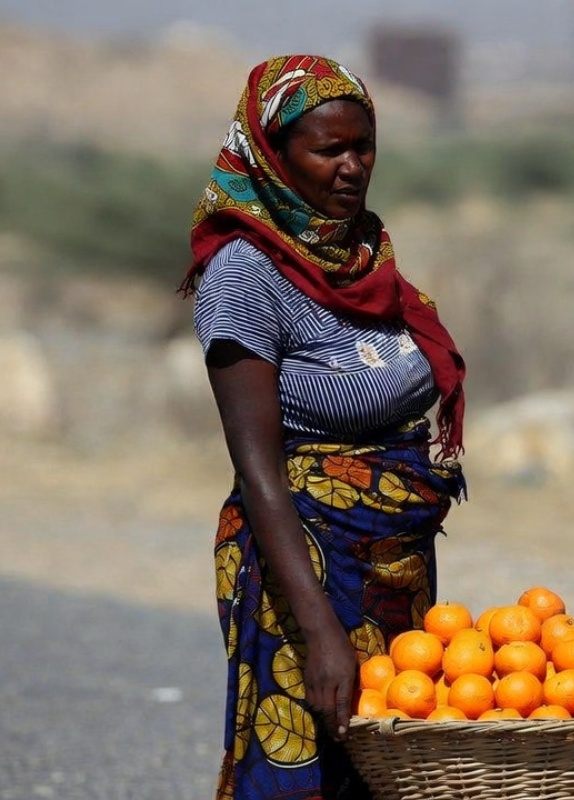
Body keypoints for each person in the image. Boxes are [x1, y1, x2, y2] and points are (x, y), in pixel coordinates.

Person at [180, 55, 467, 800]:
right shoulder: (245, 275)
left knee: (389, 769)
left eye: (362, 146)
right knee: (305, 767)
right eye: (327, 150)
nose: (351, 167)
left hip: (392, 565)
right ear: (274, 157)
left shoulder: (362, 253)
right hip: (304, 568)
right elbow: (259, 471)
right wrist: (320, 635)